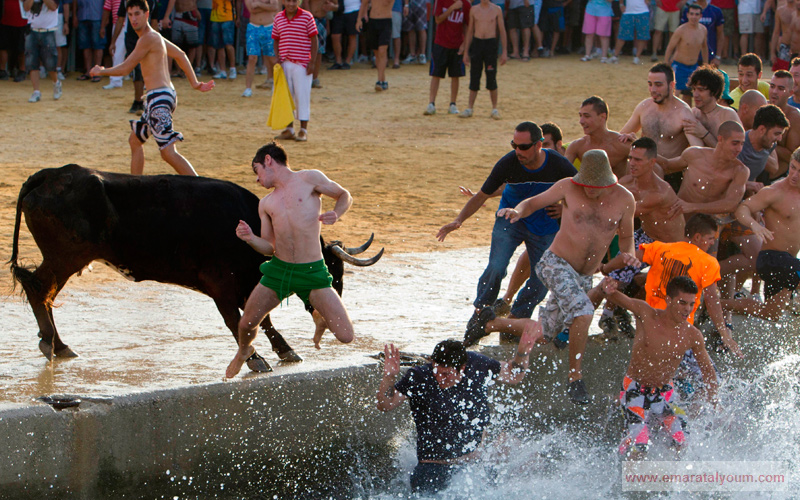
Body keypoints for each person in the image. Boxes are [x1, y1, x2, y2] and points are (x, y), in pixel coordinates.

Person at [497, 149, 637, 405]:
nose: (589, 190)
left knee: (547, 332)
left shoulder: (625, 199)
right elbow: (532, 202)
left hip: (584, 275)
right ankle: (575, 378)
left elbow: (627, 237)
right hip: (555, 263)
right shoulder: (568, 187)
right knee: (583, 311)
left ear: (608, 183)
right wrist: (517, 211)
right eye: (585, 184)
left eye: (594, 187)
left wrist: (629, 254)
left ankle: (490, 323)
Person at [437, 122, 576, 344]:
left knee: (542, 277)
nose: (517, 151)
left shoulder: (559, 164)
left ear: (539, 145)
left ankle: (515, 320)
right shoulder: (508, 162)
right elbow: (482, 195)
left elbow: (582, 193)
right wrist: (458, 220)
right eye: (514, 145)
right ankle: (480, 313)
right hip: (510, 219)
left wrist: (564, 207)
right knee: (496, 266)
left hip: (544, 224)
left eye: (523, 147)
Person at [226, 143, 356, 378]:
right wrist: (250, 238)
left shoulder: (309, 179)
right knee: (246, 324)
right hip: (279, 270)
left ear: (268, 160)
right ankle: (244, 351)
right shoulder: (265, 203)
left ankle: (319, 317)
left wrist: (336, 213)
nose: (257, 180)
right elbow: (268, 247)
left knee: (346, 336)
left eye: (256, 171)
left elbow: (344, 195)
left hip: (313, 272)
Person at [377, 334, 537, 494]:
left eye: (446, 374)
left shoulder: (478, 364)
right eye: (436, 371)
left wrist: (522, 353)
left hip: (475, 466)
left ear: (462, 368)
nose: (439, 377)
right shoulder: (419, 377)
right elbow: (385, 404)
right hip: (433, 468)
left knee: (520, 453)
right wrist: (389, 377)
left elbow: (513, 374)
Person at [90, 0, 215, 175]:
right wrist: (194, 83)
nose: (133, 19)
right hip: (159, 97)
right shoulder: (154, 37)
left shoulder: (148, 38)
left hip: (159, 98)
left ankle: (201, 188)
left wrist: (102, 71)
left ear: (147, 15)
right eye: (131, 15)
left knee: (168, 152)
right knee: (135, 141)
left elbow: (126, 68)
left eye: (137, 14)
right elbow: (180, 54)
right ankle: (135, 186)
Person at [602, 275, 719, 457]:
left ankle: (670, 481)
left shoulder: (692, 335)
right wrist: (608, 287)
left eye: (691, 304)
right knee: (640, 445)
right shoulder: (646, 314)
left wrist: (713, 402)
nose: (687, 309)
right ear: (668, 300)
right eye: (682, 303)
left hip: (665, 393)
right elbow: (615, 296)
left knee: (682, 441)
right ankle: (625, 474)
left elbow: (708, 372)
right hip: (634, 389)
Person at [598, 137, 685, 336]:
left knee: (625, 269)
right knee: (619, 273)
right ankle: (607, 315)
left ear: (652, 163)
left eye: (638, 160)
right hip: (647, 236)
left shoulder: (659, 192)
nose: (632, 163)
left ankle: (619, 309)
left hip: (669, 247)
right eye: (630, 158)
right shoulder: (627, 181)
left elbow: (623, 214)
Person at [721, 149, 800, 320]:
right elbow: (743, 208)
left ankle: (716, 304)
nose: (794, 174)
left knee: (771, 314)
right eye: (793, 167)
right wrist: (753, 224)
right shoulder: (774, 191)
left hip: (789, 264)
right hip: (772, 259)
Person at [660, 120, 749, 222]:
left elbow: (730, 204)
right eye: (735, 143)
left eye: (742, 144)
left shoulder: (740, 171)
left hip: (707, 225)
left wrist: (693, 207)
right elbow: (666, 165)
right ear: (720, 139)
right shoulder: (695, 154)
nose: (739, 149)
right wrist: (643, 150)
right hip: (678, 218)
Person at [620, 63, 703, 161]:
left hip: (670, 172)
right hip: (645, 169)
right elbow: (619, 138)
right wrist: (627, 138)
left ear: (671, 85)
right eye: (650, 84)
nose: (653, 90)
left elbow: (698, 152)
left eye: (658, 85)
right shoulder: (644, 107)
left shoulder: (683, 113)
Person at [271, 0, 318, 142]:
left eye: (294, 0)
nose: (291, 4)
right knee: (286, 97)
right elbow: (276, 40)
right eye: (288, 0)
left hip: (302, 63)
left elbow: (314, 40)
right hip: (285, 63)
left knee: (302, 96)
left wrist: (312, 62)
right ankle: (289, 129)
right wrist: (277, 57)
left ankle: (303, 130)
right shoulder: (278, 17)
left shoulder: (307, 16)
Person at [460, 0, 506, 119]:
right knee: (474, 75)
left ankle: (494, 108)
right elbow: (470, 31)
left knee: (491, 76)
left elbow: (502, 30)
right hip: (477, 43)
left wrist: (504, 51)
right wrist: (466, 52)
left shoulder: (496, 10)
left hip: (491, 44)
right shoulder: (474, 10)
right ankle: (470, 107)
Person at [565, 95, 631, 178]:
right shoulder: (577, 146)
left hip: (617, 190)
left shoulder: (622, 144)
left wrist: (637, 143)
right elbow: (560, 175)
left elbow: (648, 166)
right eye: (580, 116)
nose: (581, 121)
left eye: (586, 116)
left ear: (602, 117)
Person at [423, 0, 469, 115]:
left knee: (455, 75)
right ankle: (431, 103)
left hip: (457, 44)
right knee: (436, 74)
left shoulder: (466, 4)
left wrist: (464, 44)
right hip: (441, 43)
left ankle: (453, 104)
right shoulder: (441, 1)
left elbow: (467, 26)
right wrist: (452, 8)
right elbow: (438, 19)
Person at [685, 66, 741, 147]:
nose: (695, 95)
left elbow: (732, 152)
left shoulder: (727, 115)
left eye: (701, 90)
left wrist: (704, 134)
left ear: (715, 92)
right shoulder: (692, 114)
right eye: (694, 89)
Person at [664, 3, 707, 105]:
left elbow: (705, 48)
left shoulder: (703, 30)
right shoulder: (681, 30)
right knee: (675, 94)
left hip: (693, 67)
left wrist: (706, 65)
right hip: (679, 66)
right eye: (691, 14)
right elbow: (670, 48)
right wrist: (666, 65)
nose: (694, 17)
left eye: (696, 14)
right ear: (687, 15)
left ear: (700, 16)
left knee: (690, 94)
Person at [22, 0, 63, 102]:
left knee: (50, 63)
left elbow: (53, 6)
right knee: (32, 62)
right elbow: (26, 7)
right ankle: (36, 91)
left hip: (48, 31)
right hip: (32, 30)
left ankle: (56, 82)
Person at [241, 0, 277, 97]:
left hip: (269, 27)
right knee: (252, 58)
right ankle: (248, 88)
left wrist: (258, 4)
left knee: (273, 59)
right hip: (253, 27)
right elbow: (252, 9)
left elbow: (275, 7)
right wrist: (266, 6)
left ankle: (275, 85)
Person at [768, 70, 800, 177]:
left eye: (781, 89)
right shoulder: (760, 108)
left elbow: (792, 155)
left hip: (780, 177)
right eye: (772, 86)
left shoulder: (794, 117)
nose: (774, 91)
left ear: (790, 93)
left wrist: (766, 142)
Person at [356, 0, 391, 90]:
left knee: (382, 51)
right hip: (373, 21)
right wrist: (359, 19)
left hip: (385, 21)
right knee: (377, 52)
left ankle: (379, 81)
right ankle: (383, 80)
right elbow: (364, 3)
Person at [608, 0, 649, 64]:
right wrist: (621, 5)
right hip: (628, 12)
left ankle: (637, 57)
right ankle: (615, 56)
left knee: (642, 36)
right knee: (622, 34)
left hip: (642, 11)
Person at [307, 0, 336, 88]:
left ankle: (315, 78)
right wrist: (309, 20)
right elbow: (306, 3)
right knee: (307, 49)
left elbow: (336, 5)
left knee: (319, 51)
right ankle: (308, 78)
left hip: (322, 19)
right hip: (312, 19)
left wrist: (332, 8)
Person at [75, 0, 106, 81]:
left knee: (98, 44)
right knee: (85, 45)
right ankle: (88, 71)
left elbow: (106, 3)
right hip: (82, 16)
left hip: (97, 16)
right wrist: (75, 15)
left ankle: (98, 72)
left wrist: (105, 21)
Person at [101, 0, 125, 89]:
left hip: (135, 24)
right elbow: (107, 9)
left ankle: (145, 81)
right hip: (118, 23)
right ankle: (116, 80)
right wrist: (103, 27)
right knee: (117, 52)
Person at [208, 0, 235, 79]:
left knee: (228, 45)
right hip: (215, 17)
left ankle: (232, 68)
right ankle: (222, 70)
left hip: (227, 17)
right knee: (219, 46)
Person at [328, 0, 358, 68]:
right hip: (338, 10)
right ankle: (338, 61)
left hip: (353, 9)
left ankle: (348, 61)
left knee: (352, 36)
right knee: (335, 36)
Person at [770, 0, 794, 71]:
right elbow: (776, 33)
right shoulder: (780, 11)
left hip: (797, 47)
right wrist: (772, 53)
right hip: (784, 46)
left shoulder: (798, 11)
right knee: (782, 74)